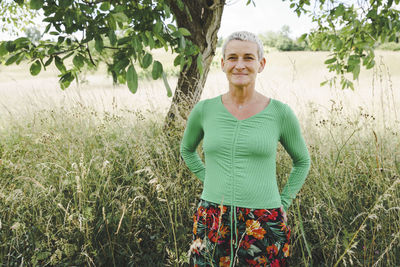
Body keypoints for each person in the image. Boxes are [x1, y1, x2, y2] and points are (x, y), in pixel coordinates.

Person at [180, 31, 311, 267]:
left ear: (261, 64)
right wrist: (209, 178)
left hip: (264, 219)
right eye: (232, 58)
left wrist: (284, 202)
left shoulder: (280, 113)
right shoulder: (204, 110)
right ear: (222, 64)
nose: (239, 65)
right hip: (212, 216)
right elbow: (187, 150)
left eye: (248, 58)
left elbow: (302, 161)